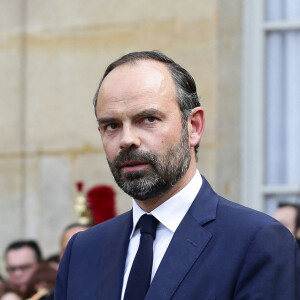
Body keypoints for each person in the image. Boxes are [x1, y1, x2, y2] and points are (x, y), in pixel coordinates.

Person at [55, 51, 300, 299]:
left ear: (193, 127)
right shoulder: (83, 251)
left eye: (148, 119)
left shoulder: (256, 242)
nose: (127, 139)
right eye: (112, 126)